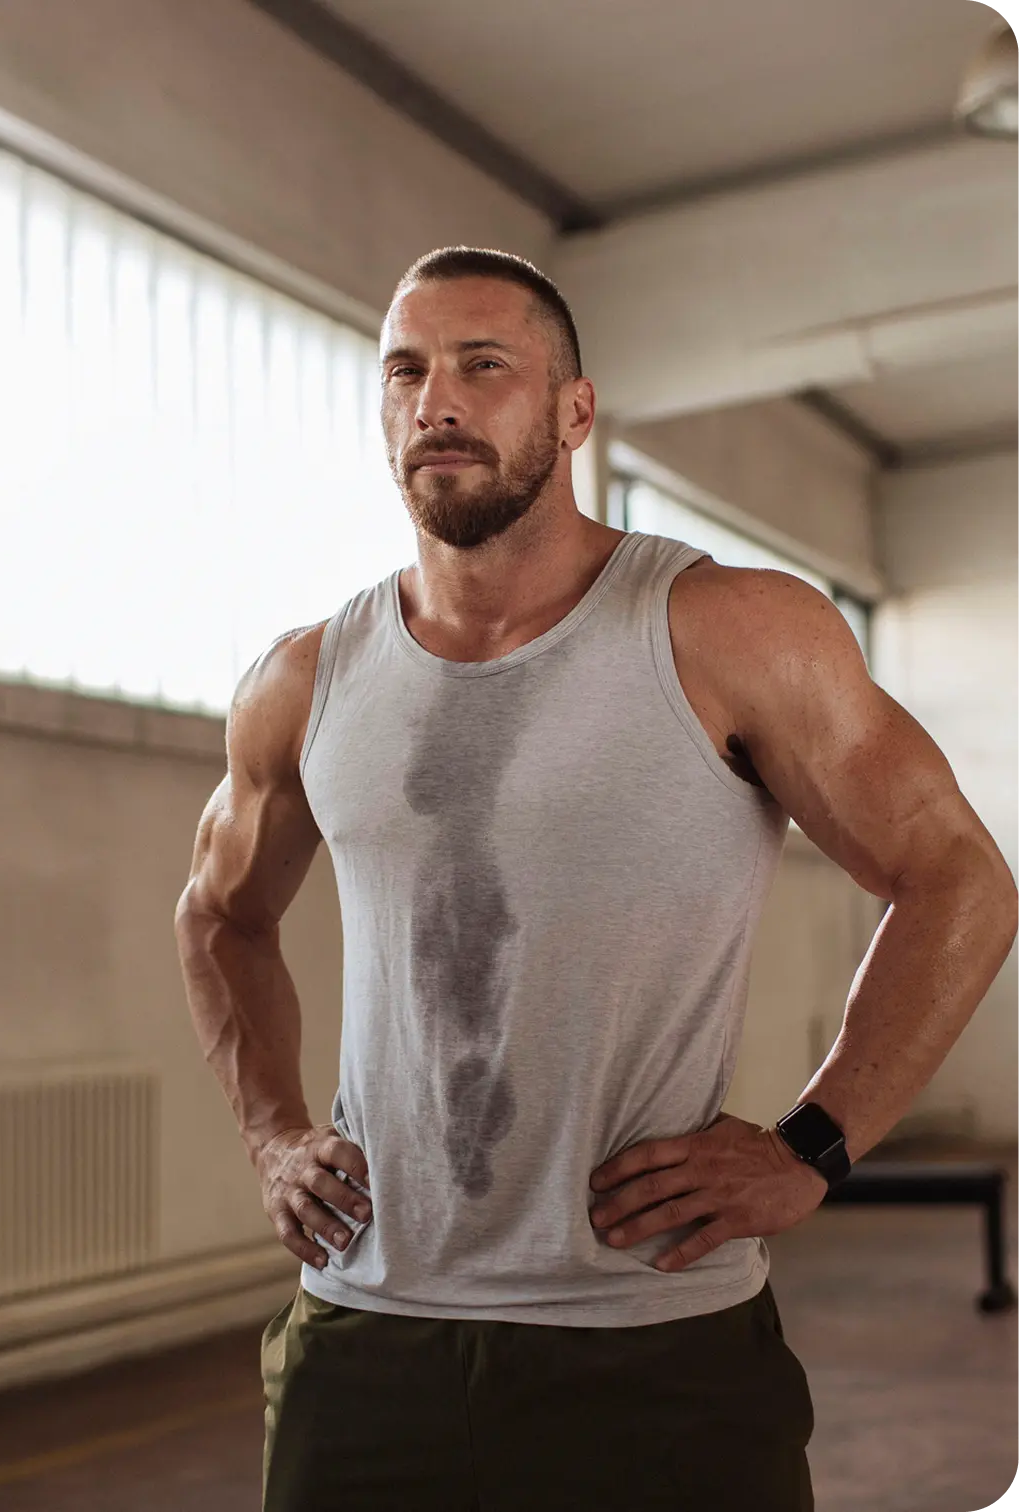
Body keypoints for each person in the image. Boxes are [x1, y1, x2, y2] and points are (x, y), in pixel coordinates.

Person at [174, 247, 1019, 1511]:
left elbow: (959, 880)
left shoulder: (728, 629)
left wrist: (812, 1144)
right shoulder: (308, 679)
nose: (435, 401)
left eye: (483, 365)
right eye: (404, 370)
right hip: (366, 1335)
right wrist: (272, 1135)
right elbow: (221, 917)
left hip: (652, 1338)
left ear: (574, 412)